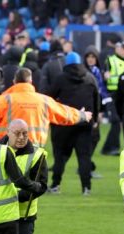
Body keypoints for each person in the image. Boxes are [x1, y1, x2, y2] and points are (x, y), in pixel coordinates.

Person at [0, 68, 92, 146]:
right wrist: (82, 115)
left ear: (14, 81)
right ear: (31, 81)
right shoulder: (44, 101)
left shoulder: (2, 101)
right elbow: (65, 113)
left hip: (7, 151)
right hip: (35, 152)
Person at [0, 119, 48, 234]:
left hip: (24, 214)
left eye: (25, 134)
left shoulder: (37, 155)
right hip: (0, 212)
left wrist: (14, 197)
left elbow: (40, 186)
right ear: (8, 132)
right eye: (17, 133)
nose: (21, 138)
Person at [48, 52, 100, 196]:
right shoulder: (90, 78)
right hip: (84, 122)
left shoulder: (60, 78)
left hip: (64, 122)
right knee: (84, 157)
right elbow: (97, 100)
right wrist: (95, 119)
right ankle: (86, 188)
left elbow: (49, 98)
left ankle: (55, 185)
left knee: (60, 156)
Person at [101, 41, 124, 155]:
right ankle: (111, 148)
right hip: (113, 94)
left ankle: (108, 148)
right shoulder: (110, 60)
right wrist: (105, 77)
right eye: (122, 48)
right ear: (117, 48)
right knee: (116, 121)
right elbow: (104, 77)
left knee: (123, 121)